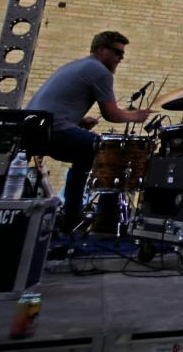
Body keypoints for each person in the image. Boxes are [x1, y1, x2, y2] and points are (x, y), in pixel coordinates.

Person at [26, 31, 153, 232]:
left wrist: (79, 120)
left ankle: (71, 215)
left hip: (33, 128)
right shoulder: (100, 71)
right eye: (117, 53)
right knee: (109, 152)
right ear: (101, 50)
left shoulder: (74, 65)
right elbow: (112, 114)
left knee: (85, 156)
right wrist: (135, 116)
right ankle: (99, 220)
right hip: (55, 129)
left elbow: (56, 103)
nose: (121, 58)